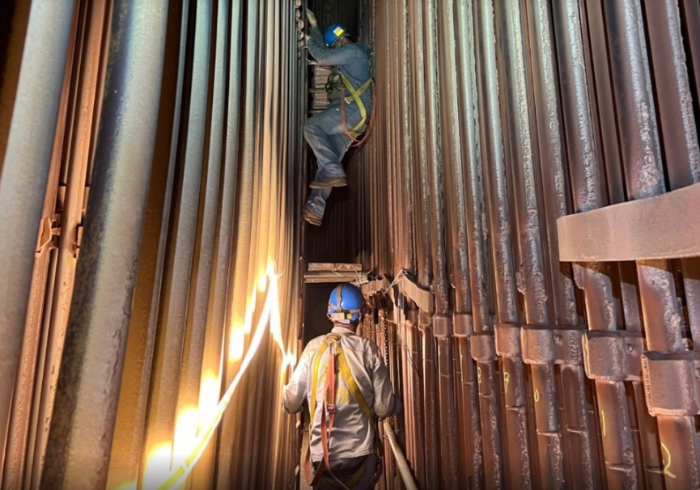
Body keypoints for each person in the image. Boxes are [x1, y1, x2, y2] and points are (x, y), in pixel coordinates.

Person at [283, 284, 402, 490]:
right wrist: (397, 405)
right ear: (361, 315)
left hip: (323, 459)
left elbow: (291, 403)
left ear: (330, 315)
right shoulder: (369, 351)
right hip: (360, 459)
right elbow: (383, 408)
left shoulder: (312, 349)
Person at [302, 10, 373, 226]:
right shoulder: (350, 58)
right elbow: (326, 55)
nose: (334, 52)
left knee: (312, 128)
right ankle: (315, 208)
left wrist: (308, 40)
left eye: (334, 46)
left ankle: (333, 169)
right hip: (353, 119)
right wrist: (314, 29)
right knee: (329, 156)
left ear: (339, 41)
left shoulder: (354, 51)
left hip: (352, 112)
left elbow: (322, 55)